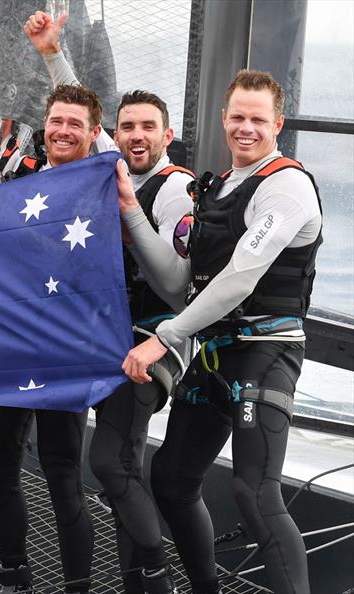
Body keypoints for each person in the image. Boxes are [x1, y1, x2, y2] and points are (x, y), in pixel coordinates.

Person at [117, 70, 320, 594]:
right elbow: (180, 281)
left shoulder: (287, 186)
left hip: (264, 352)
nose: (246, 128)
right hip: (214, 355)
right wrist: (131, 213)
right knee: (172, 479)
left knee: (254, 490)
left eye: (258, 119)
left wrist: (164, 337)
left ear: (277, 124)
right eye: (237, 117)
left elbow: (239, 278)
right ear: (223, 119)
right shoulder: (214, 189)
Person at [24, 12, 194, 593]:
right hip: (112, 337)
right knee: (122, 469)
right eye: (127, 128)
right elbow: (78, 118)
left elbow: (176, 286)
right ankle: (137, 581)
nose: (136, 136)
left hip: (161, 337)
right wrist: (51, 51)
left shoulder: (177, 189)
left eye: (149, 127)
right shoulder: (113, 164)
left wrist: (127, 212)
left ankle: (154, 573)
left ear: (167, 135)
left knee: (110, 463)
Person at [0, 83, 110, 594]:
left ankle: (77, 585)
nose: (63, 130)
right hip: (5, 346)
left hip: (64, 351)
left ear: (94, 134)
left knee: (60, 471)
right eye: (56, 120)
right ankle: (14, 575)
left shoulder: (102, 178)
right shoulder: (19, 175)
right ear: (45, 125)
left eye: (76, 123)